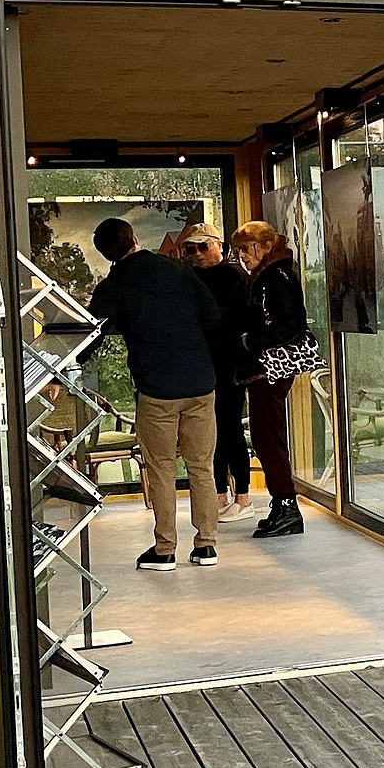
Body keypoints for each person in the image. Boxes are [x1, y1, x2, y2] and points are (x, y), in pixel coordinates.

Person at [86, 217, 223, 571]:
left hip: (156, 388)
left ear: (106, 254)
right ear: (134, 238)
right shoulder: (179, 270)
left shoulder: (114, 284)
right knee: (201, 466)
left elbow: (90, 333)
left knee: (161, 469)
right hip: (199, 382)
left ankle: (165, 549)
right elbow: (212, 316)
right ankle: (206, 545)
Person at [231, 221, 309, 538]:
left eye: (245, 248)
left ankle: (287, 506)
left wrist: (252, 340)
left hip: (271, 366)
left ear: (265, 246)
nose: (241, 255)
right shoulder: (272, 273)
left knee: (267, 437)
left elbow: (292, 322)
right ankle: (281, 504)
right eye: (238, 249)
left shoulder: (276, 276)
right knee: (266, 435)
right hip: (266, 366)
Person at [179, 223, 255, 523]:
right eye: (191, 249)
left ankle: (243, 495)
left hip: (229, 364)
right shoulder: (191, 277)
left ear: (218, 246)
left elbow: (238, 319)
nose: (197, 254)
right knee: (210, 431)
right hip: (204, 364)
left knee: (230, 427)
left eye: (203, 246)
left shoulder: (233, 275)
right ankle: (220, 492)